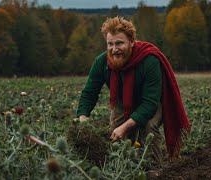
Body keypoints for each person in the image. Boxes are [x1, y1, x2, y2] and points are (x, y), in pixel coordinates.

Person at [75, 16, 190, 173]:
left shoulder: (149, 60)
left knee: (148, 126)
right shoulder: (102, 62)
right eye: (110, 44)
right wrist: (82, 118)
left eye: (119, 43)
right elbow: (89, 93)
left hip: (149, 101)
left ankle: (153, 171)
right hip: (123, 101)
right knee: (116, 135)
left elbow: (150, 103)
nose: (114, 49)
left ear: (131, 41)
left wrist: (126, 126)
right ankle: (122, 170)